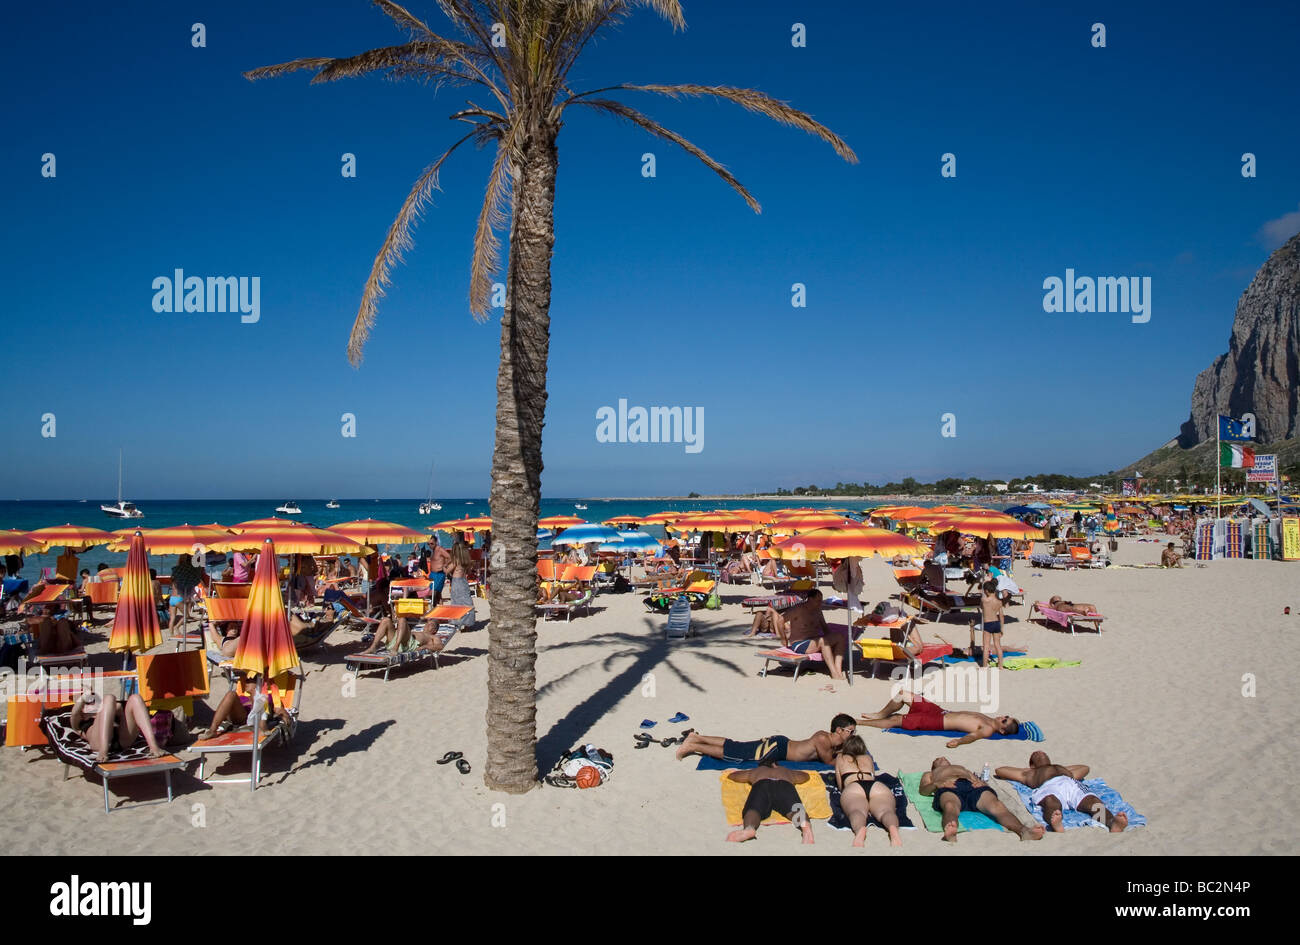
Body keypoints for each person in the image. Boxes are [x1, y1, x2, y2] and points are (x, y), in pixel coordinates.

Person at [995, 751, 1128, 833]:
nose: (1040, 753)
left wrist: (1062, 769)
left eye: (1043, 753)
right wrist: (1028, 771)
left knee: (1093, 802)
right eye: (1036, 755)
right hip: (1048, 787)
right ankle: (1056, 824)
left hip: (1070, 784)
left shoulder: (1062, 769)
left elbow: (1085, 768)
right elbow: (1000, 770)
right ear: (1032, 765)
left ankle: (1112, 823)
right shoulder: (1028, 773)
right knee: (1051, 802)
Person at [920, 757, 1044, 842]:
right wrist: (936, 784)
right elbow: (923, 790)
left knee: (997, 806)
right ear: (933, 766)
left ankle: (1023, 831)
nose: (942, 758)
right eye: (938, 759)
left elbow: (978, 780)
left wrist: (982, 784)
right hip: (949, 787)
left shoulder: (962, 769)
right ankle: (951, 831)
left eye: (944, 757)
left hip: (971, 787)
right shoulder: (931, 774)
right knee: (950, 806)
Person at [858, 691, 1022, 747]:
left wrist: (959, 742)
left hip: (937, 723)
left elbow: (973, 736)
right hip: (939, 711)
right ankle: (879, 714)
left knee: (898, 720)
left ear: (1001, 730)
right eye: (1006, 716)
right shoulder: (988, 718)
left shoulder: (987, 729)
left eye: (1005, 721)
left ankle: (860, 722)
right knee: (903, 694)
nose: (1003, 717)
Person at [675, 714, 857, 764]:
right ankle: (692, 745)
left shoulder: (827, 739)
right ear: (839, 730)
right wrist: (849, 760)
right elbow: (828, 762)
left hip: (779, 744)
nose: (852, 735)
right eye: (850, 732)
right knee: (736, 754)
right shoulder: (823, 739)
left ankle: (696, 737)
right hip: (776, 749)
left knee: (735, 745)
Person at [835, 734, 902, 847]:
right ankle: (892, 828)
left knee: (857, 811)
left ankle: (860, 830)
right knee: (886, 811)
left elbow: (840, 784)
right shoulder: (868, 758)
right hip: (876, 786)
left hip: (854, 787)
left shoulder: (840, 758)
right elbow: (873, 777)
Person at [765, 589, 847, 680]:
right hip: (799, 643)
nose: (820, 603)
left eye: (821, 600)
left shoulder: (818, 610)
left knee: (840, 637)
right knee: (823, 642)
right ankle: (834, 673)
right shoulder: (798, 609)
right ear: (810, 599)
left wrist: (832, 640)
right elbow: (780, 620)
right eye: (818, 600)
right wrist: (783, 639)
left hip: (815, 640)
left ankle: (838, 671)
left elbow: (824, 627)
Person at [70, 689, 167, 761]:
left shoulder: (110, 711)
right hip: (99, 744)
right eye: (89, 702)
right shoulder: (82, 721)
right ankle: (104, 751)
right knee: (109, 697)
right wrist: (84, 696)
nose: (93, 702)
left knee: (135, 698)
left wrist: (105, 707)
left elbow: (121, 708)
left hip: (122, 740)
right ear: (83, 710)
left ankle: (153, 746)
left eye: (95, 700)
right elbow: (74, 713)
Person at [725, 766, 814, 844]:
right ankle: (805, 826)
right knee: (795, 810)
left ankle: (749, 829)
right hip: (784, 785)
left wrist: (733, 772)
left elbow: (734, 776)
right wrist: (792, 774)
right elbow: (805, 777)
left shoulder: (757, 770)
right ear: (775, 765)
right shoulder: (786, 771)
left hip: (762, 784)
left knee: (754, 809)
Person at [446, 537, 476, 628]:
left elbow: (447, 571)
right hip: (464, 581)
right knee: (466, 602)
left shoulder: (456, 561)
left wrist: (444, 566)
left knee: (456, 602)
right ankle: (467, 623)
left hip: (457, 582)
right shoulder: (465, 561)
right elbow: (469, 572)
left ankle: (458, 622)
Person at [979, 579, 1005, 669]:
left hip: (988, 624)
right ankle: (1000, 665)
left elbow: (981, 607)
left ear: (986, 591)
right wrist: (1002, 628)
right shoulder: (999, 602)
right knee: (998, 645)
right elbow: (1001, 616)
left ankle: (985, 666)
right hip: (996, 623)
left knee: (986, 646)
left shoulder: (984, 600)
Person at [427, 535, 450, 605]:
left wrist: (444, 565)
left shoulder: (440, 549)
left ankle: (434, 609)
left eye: (432, 543)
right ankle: (440, 610)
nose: (430, 545)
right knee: (438, 595)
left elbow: (450, 557)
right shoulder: (433, 551)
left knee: (432, 593)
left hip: (439, 574)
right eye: (428, 544)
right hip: (432, 574)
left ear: (436, 542)